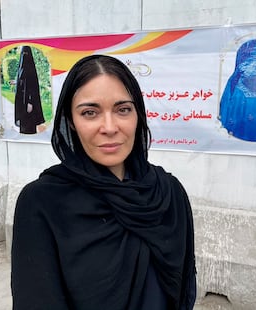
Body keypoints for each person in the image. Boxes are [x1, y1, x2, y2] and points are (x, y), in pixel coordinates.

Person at [11, 54, 196, 310]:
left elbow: (183, 287)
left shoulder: (168, 193)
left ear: (138, 115)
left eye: (123, 110)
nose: (109, 127)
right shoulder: (43, 203)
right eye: (90, 112)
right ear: (71, 122)